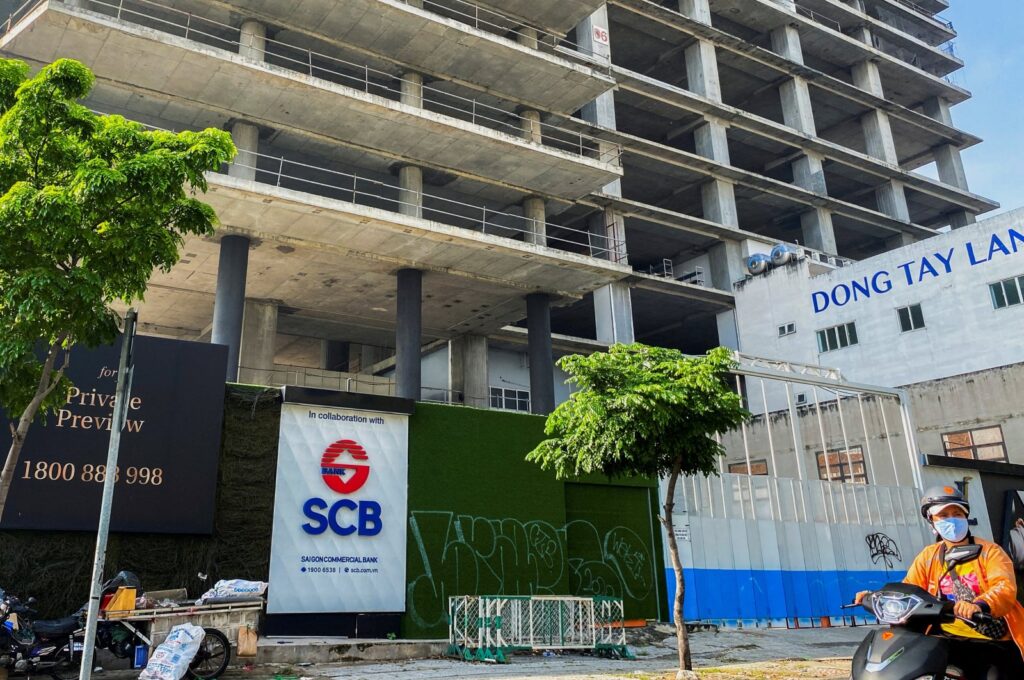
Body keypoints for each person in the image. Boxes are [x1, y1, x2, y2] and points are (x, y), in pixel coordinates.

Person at [855, 485, 1024, 679]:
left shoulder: (990, 552)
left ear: (965, 517)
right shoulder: (929, 556)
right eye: (943, 516)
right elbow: (910, 589)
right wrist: (875, 596)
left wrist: (978, 605)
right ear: (932, 522)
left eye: (957, 514)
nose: (951, 519)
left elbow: (1004, 587)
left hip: (989, 640)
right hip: (943, 638)